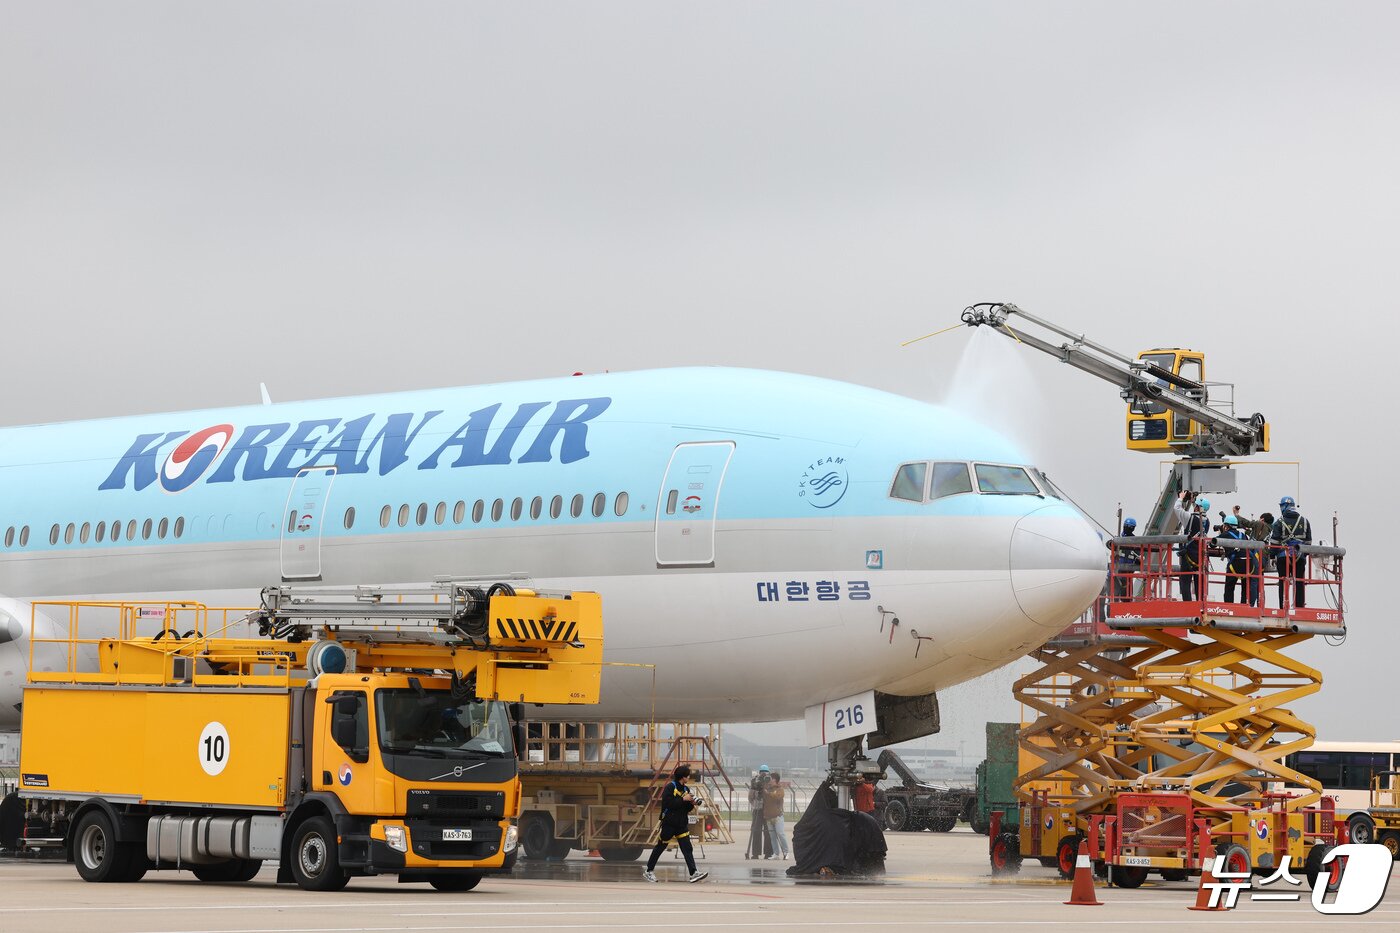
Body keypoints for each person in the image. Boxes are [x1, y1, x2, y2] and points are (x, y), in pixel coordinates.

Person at [642, 765, 708, 883]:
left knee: (687, 848)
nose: (689, 777)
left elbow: (686, 808)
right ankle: (649, 870)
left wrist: (692, 803)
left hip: (681, 824)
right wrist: (683, 799)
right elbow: (668, 804)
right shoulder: (670, 787)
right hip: (669, 823)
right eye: (687, 775)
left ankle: (693, 872)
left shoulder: (686, 789)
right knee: (661, 847)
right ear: (683, 777)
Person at [1270, 496, 1312, 609]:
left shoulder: (1279, 522)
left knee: (1283, 582)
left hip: (1283, 557)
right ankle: (1299, 607)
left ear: (1284, 506)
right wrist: (1303, 554)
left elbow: (1274, 542)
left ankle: (1283, 607)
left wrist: (1272, 555)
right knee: (1299, 582)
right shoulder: (1305, 521)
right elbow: (1308, 542)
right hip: (1300, 557)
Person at [1173, 491, 1210, 601]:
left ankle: (1187, 604)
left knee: (1185, 580)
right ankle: (1200, 604)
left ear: (1198, 508)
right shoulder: (1207, 521)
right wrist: (1193, 500)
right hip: (1200, 556)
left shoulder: (1189, 517)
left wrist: (1181, 498)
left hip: (1187, 555)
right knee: (1199, 580)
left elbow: (1177, 509)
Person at [1217, 515, 1250, 604]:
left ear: (1227, 526)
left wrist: (1220, 534)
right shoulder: (1243, 535)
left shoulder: (1226, 534)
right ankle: (1244, 606)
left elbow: (1213, 543)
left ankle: (1229, 606)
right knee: (1245, 587)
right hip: (1248, 563)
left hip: (1235, 563)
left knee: (1229, 587)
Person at [745, 766, 773, 859]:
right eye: (762, 772)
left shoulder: (771, 782)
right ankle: (756, 853)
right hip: (758, 809)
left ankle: (768, 853)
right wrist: (755, 804)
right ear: (759, 773)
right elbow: (751, 796)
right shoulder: (755, 782)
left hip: (768, 810)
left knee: (768, 832)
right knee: (756, 831)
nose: (764, 774)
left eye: (765, 773)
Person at [764, 771, 790, 860]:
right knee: (772, 836)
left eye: (770, 778)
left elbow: (778, 796)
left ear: (774, 779)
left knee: (780, 834)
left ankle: (786, 852)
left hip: (778, 816)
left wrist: (769, 793)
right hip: (768, 816)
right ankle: (776, 853)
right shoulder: (767, 788)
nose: (769, 780)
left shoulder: (780, 789)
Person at [1113, 517, 1142, 599]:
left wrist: (1138, 561)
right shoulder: (1117, 540)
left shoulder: (1135, 542)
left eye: (1130, 527)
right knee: (1114, 598)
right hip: (1117, 574)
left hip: (1128, 574)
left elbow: (1139, 556)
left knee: (1127, 598)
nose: (1128, 528)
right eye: (1127, 526)